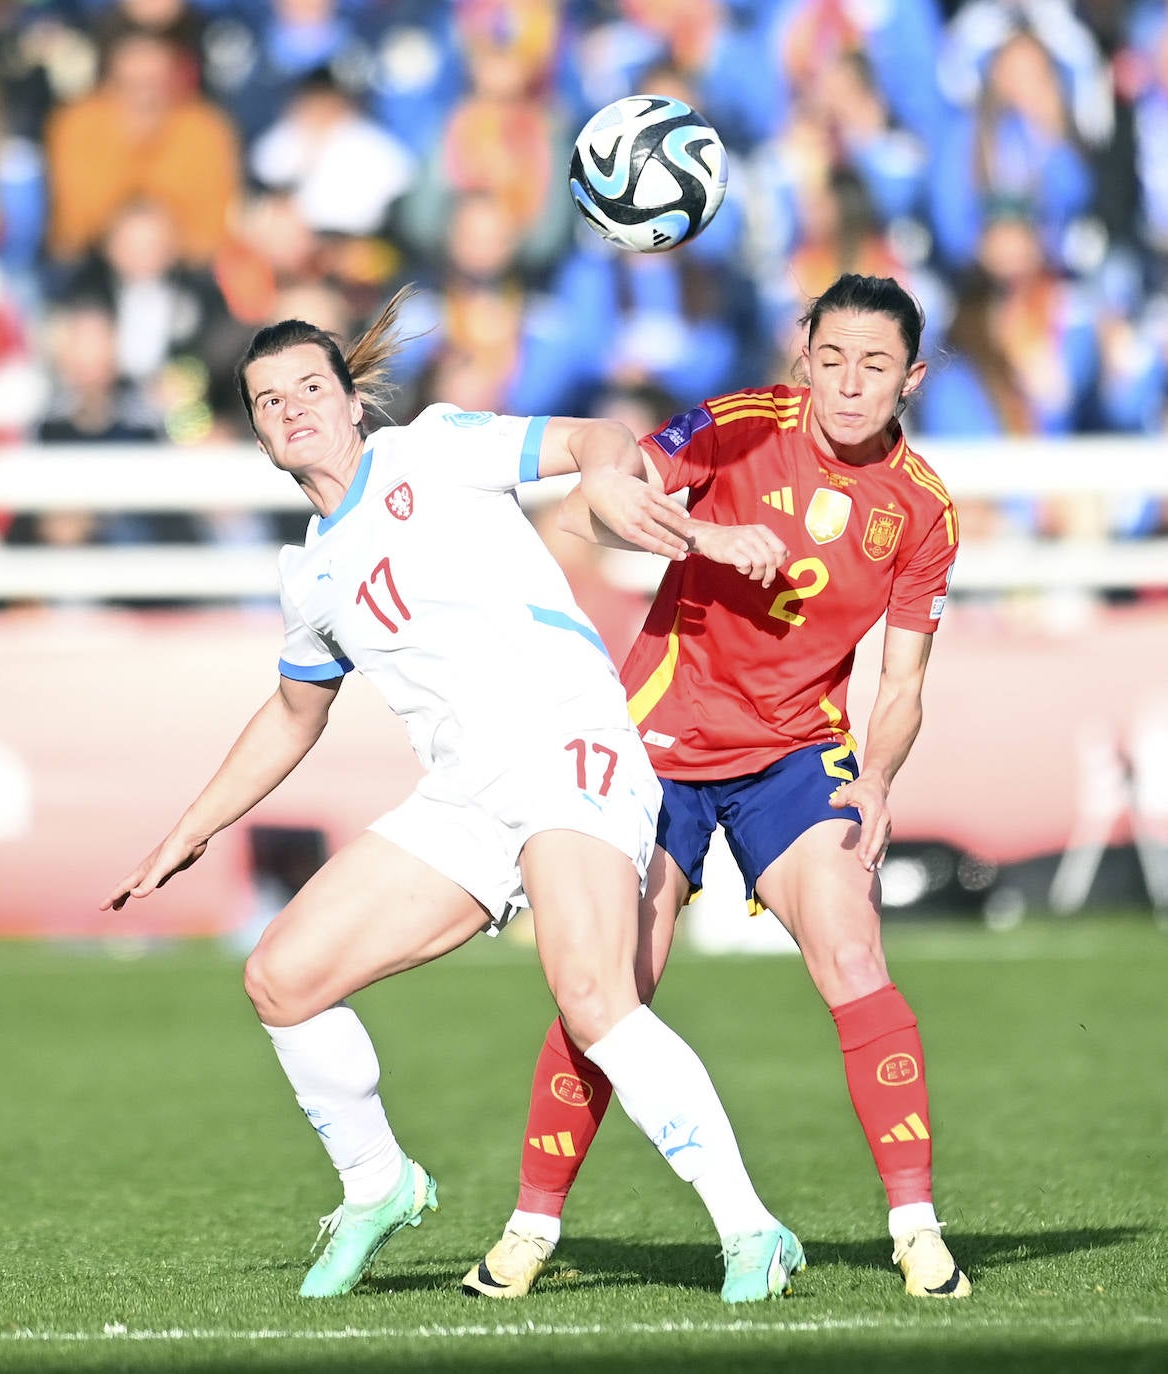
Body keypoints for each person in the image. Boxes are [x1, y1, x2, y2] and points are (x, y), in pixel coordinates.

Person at [99, 286, 806, 1305]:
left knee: (595, 997)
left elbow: (594, 435)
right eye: (267, 401)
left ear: (352, 401)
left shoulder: (429, 448)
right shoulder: (310, 578)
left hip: (569, 743)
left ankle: (753, 1229)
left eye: (310, 387)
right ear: (255, 432)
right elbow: (296, 715)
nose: (292, 408)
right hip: (465, 794)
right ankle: (378, 1184)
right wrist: (190, 830)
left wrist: (610, 483)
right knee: (282, 979)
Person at [462, 273, 973, 1303]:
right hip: (655, 746)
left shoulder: (922, 511)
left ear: (912, 377)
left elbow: (905, 679)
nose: (848, 383)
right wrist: (702, 536)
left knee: (851, 946)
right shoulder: (735, 428)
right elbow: (598, 509)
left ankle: (916, 1229)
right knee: (612, 987)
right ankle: (531, 1224)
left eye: (874, 366)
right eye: (830, 359)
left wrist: (875, 780)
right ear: (803, 357)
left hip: (795, 755)